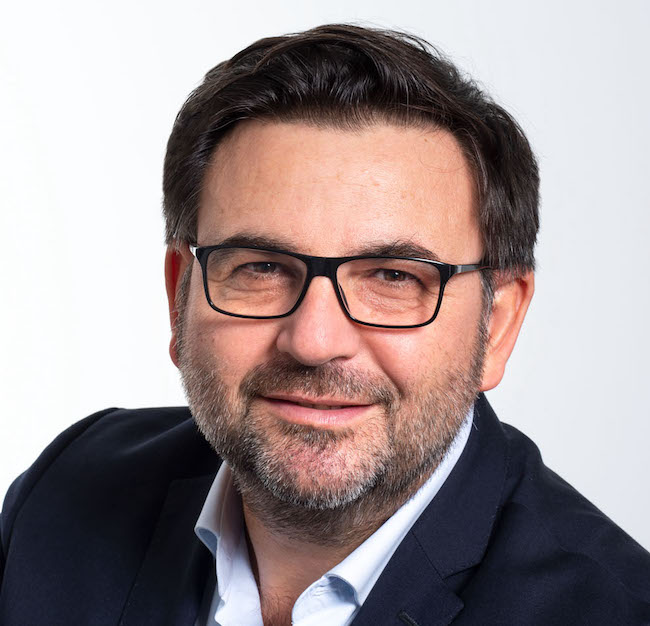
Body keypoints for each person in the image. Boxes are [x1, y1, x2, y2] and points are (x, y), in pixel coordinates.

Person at [1, 23, 649, 626]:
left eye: (393, 277)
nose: (314, 342)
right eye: (260, 267)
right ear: (181, 296)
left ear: (497, 327)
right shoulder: (62, 495)